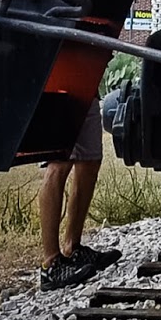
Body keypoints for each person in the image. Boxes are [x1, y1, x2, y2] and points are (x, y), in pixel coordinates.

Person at [39, 96, 122, 290]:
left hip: (86, 91)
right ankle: (51, 264)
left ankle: (73, 248)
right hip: (55, 91)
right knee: (58, 163)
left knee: (90, 161)